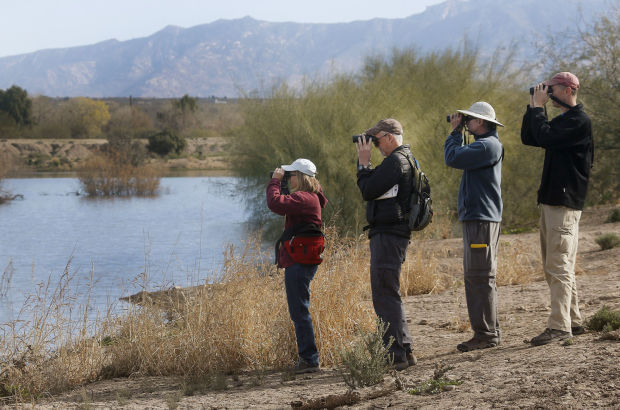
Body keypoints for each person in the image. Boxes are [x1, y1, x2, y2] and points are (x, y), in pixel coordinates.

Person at [521, 72, 593, 346]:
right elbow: (532, 137)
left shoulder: (579, 121)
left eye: (550, 89)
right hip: (553, 202)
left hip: (564, 203)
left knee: (558, 264)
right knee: (557, 265)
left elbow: (546, 136)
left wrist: (540, 108)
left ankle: (559, 326)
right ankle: (573, 320)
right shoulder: (565, 121)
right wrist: (532, 107)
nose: (547, 92)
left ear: (567, 90)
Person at [355, 118, 416, 371]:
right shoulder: (404, 159)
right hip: (393, 234)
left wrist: (363, 163)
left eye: (376, 140)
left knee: (384, 293)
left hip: (389, 235)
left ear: (390, 137)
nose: (375, 145)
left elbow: (367, 189)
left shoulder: (396, 162)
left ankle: (396, 355)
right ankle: (405, 350)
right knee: (389, 291)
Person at [444, 102, 504, 352]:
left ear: (481, 122)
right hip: (478, 218)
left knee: (480, 276)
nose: (466, 122)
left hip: (481, 219)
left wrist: (455, 132)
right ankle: (488, 331)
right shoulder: (483, 145)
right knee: (478, 276)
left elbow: (452, 157)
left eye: (470, 119)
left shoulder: (487, 145)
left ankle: (486, 334)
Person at [266, 158, 328, 373]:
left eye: (291, 175)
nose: (288, 178)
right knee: (300, 309)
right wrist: (281, 185)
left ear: (300, 178)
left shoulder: (304, 198)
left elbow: (275, 204)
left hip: (299, 261)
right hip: (302, 259)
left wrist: (275, 182)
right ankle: (308, 358)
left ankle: (309, 360)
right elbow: (283, 204)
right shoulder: (310, 197)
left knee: (299, 310)